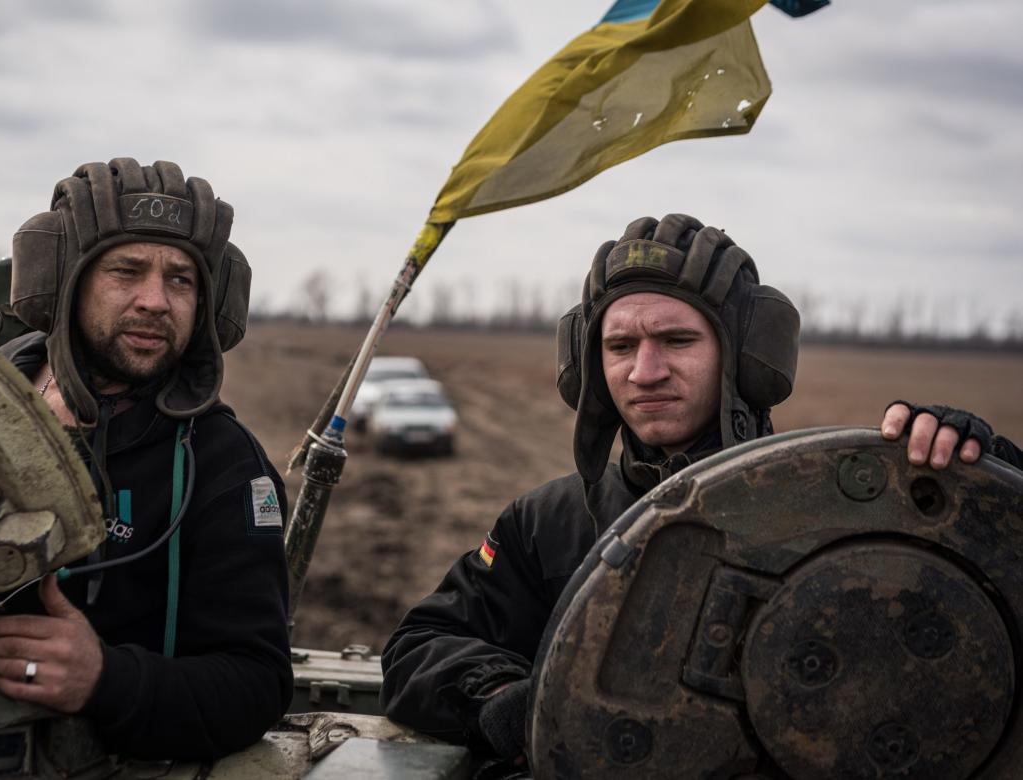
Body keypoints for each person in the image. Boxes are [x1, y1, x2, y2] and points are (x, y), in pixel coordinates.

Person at [379, 213, 1023, 763]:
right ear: (590, 368)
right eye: (620, 345)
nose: (645, 371)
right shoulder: (548, 523)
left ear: (743, 355)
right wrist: (501, 696)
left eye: (677, 340)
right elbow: (418, 648)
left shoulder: (838, 503)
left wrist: (976, 479)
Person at [0, 159, 292, 761]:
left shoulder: (223, 465)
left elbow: (256, 683)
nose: (156, 301)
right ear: (69, 280)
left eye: (181, 280)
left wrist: (105, 680)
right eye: (127, 271)